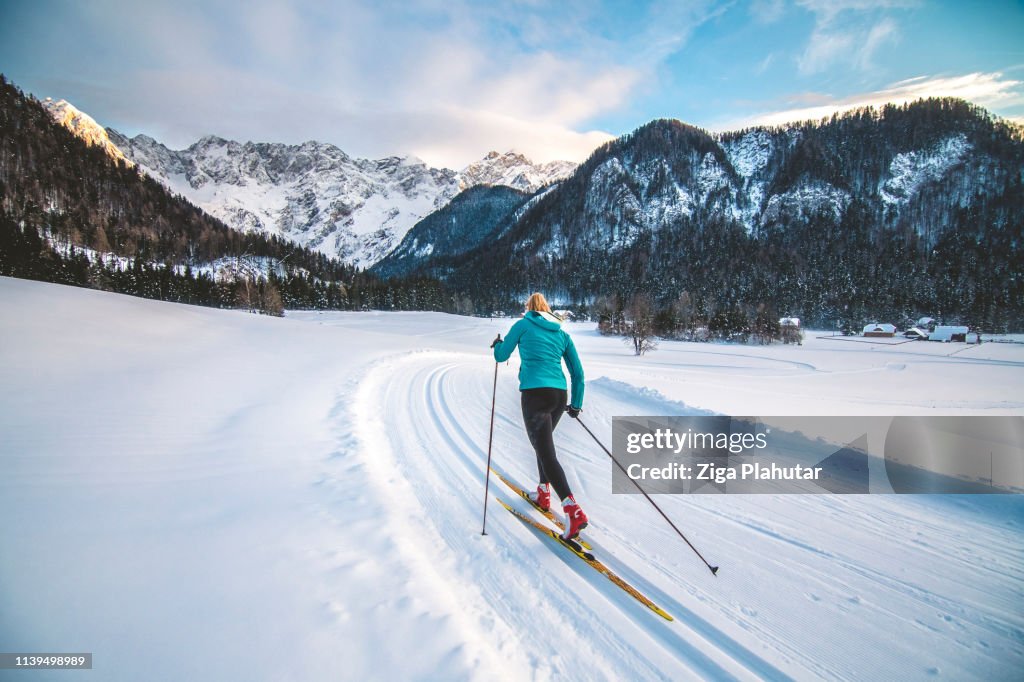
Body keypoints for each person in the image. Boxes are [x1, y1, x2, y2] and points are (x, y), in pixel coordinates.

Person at [492, 292, 588, 540]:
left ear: (529, 309)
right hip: (559, 394)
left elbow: (502, 356)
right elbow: (577, 373)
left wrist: (497, 345)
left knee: (545, 451)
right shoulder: (562, 333)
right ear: (547, 310)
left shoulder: (523, 325)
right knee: (543, 445)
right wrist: (575, 404)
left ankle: (572, 509)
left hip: (535, 394)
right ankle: (543, 492)